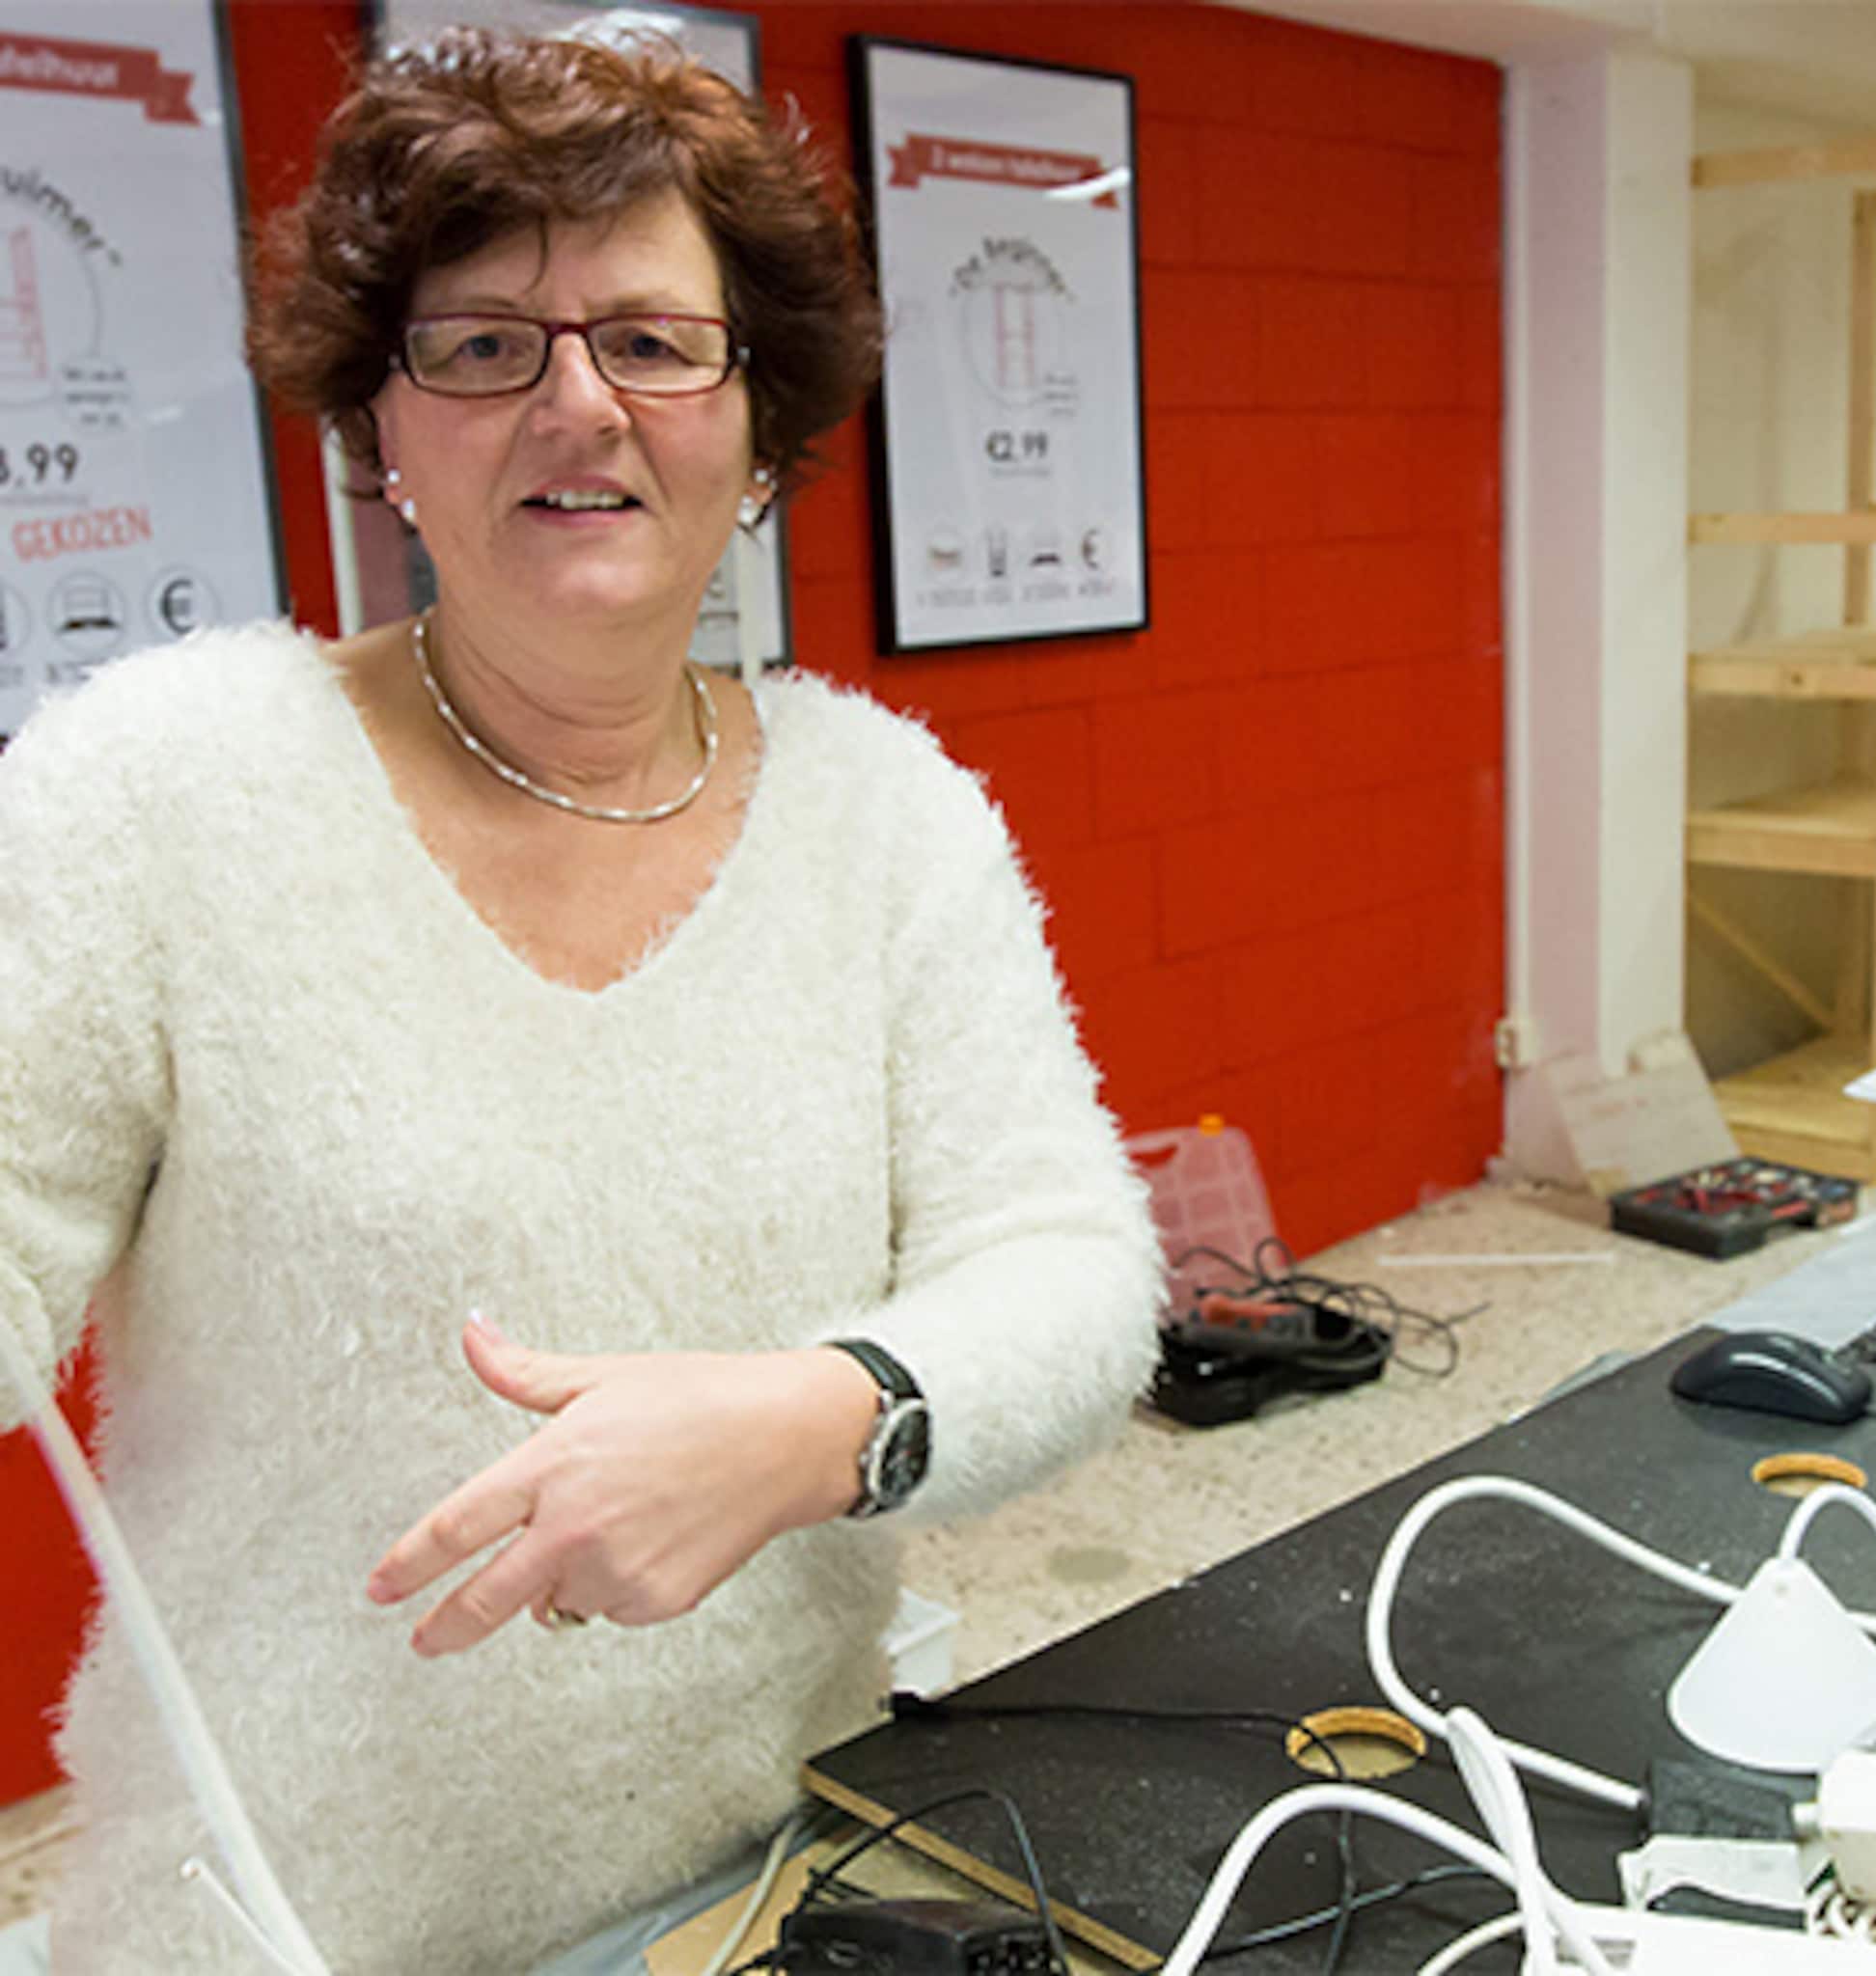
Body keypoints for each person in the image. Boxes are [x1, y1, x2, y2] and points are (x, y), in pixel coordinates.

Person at [0, 28, 1160, 1975]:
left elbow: (1071, 1266)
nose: (576, 405)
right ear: (380, 424)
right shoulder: (155, 787)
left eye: (651, 340)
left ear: (758, 426)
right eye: (481, 345)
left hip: (760, 1891)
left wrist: (823, 1420)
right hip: (273, 1930)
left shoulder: (890, 816)